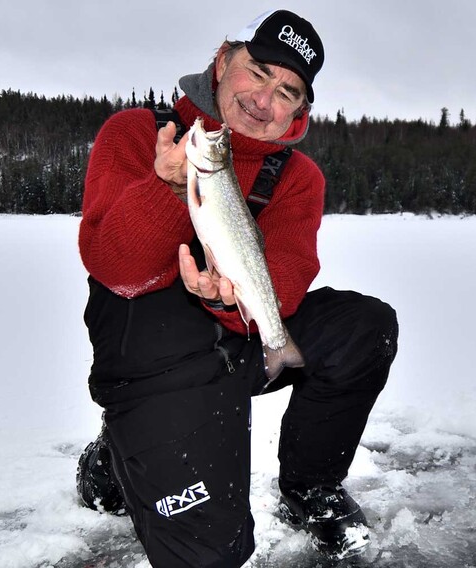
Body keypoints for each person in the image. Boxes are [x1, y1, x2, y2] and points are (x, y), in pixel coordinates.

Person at [74, 9, 398, 567]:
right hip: (153, 359)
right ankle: (117, 456)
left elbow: (289, 282)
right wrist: (167, 187)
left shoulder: (297, 178)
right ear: (223, 61)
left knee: (364, 327)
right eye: (258, 71)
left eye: (287, 90)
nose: (263, 99)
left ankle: (310, 488)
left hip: (240, 337)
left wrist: (227, 299)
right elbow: (117, 269)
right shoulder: (136, 133)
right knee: (212, 556)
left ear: (300, 109)